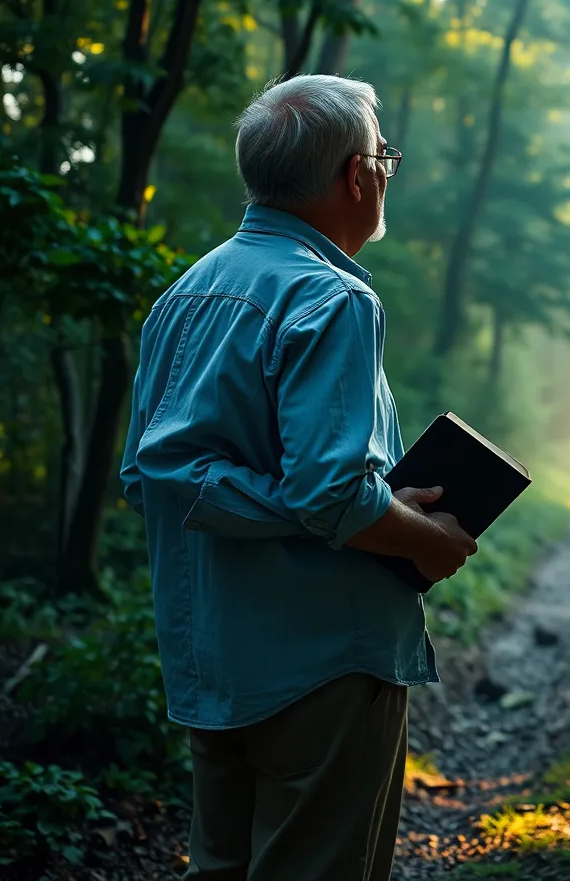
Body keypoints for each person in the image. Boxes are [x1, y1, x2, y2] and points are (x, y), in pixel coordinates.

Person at [120, 74, 478, 881]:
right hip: (326, 666)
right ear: (358, 175)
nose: (386, 172)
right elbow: (333, 495)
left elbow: (149, 478)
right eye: (384, 156)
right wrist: (431, 539)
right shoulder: (333, 297)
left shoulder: (181, 296)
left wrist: (340, 503)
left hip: (211, 656)